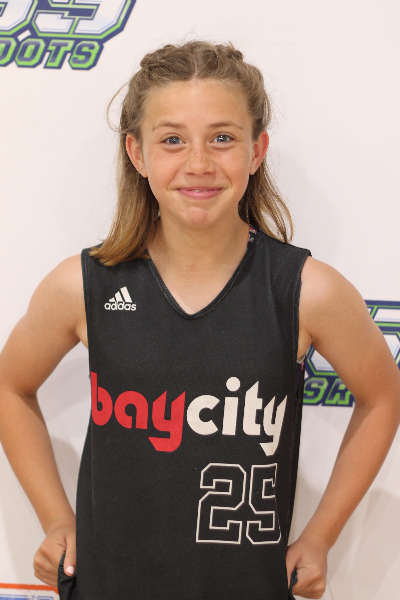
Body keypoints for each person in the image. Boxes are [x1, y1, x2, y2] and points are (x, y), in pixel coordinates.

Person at [0, 40, 399, 600]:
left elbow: (382, 397)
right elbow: (10, 386)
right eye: (172, 140)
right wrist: (56, 518)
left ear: (257, 150)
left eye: (222, 138)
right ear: (136, 153)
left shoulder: (308, 291)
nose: (198, 164)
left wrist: (320, 537)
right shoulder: (83, 286)